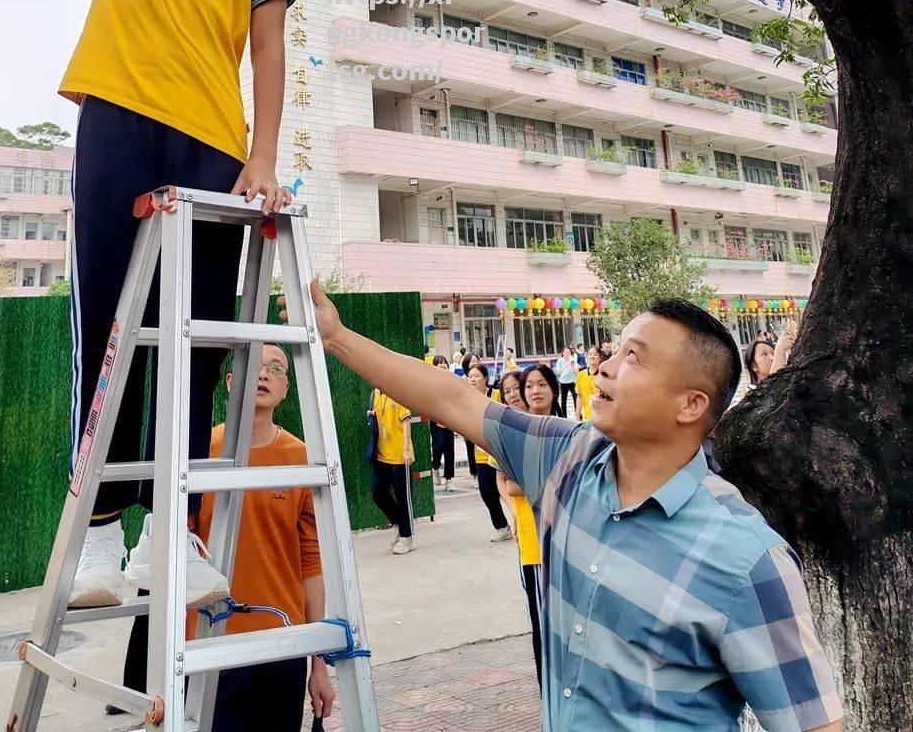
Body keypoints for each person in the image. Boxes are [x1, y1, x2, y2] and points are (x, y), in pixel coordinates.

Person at [291, 287, 842, 732]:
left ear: (690, 404)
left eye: (634, 358)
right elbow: (453, 399)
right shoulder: (567, 457)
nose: (605, 366)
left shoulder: (748, 562)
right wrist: (336, 336)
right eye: (615, 348)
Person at [62, 0, 295, 610]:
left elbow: (271, 53)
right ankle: (95, 537)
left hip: (211, 144)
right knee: (113, 327)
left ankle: (171, 533)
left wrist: (263, 158)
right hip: (117, 118)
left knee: (191, 338)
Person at [118, 348, 335, 728]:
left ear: (285, 388)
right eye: (254, 366)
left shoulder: (304, 459)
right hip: (208, 645)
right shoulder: (198, 454)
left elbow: (311, 564)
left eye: (276, 369)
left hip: (281, 644)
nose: (264, 375)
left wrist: (319, 664)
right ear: (231, 382)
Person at [497, 372, 543, 688]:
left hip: (563, 539)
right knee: (541, 622)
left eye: (522, 388)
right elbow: (509, 483)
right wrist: (514, 512)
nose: (518, 394)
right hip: (532, 541)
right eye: (511, 390)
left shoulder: (563, 430)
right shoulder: (512, 434)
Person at [467, 363, 511, 542]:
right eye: (470, 376)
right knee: (486, 490)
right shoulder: (468, 400)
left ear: (486, 378)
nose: (472, 379)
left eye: (476, 376)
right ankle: (501, 526)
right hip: (481, 452)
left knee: (509, 489)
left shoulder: (496, 395)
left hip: (500, 451)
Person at [369, 385, 415, 554]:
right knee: (377, 491)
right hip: (381, 455)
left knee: (403, 498)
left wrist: (406, 449)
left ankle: (407, 537)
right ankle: (398, 522)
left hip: (400, 456)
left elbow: (406, 422)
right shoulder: (375, 394)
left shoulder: (398, 391)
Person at [429, 355, 456, 491]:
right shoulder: (430, 383)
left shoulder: (451, 381)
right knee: (438, 447)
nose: (443, 366)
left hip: (450, 421)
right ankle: (435, 467)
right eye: (439, 364)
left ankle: (449, 480)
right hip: (436, 421)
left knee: (450, 451)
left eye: (444, 363)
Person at [574, 345, 601, 422]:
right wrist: (577, 417)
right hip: (587, 418)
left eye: (595, 354)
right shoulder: (581, 375)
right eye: (590, 354)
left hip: (602, 419)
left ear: (600, 357)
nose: (592, 357)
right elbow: (580, 397)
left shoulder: (604, 375)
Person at [553, 347, 577, 417]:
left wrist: (573, 367)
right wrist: (565, 366)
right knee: (563, 399)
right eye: (566, 353)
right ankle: (564, 416)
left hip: (572, 381)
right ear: (563, 353)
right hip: (563, 382)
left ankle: (578, 414)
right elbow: (557, 372)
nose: (567, 354)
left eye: (569, 353)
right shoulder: (560, 361)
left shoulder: (572, 360)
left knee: (576, 397)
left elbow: (577, 372)